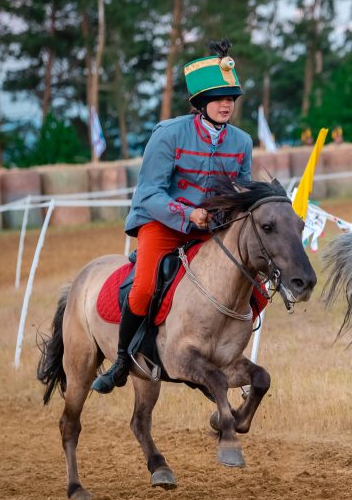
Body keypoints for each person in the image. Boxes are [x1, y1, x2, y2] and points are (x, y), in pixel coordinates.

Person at [91, 39, 253, 394]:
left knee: (251, 286)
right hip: (162, 225)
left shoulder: (241, 142)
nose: (227, 105)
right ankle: (121, 360)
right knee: (145, 287)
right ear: (200, 102)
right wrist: (188, 213)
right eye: (219, 98)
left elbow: (241, 193)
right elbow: (148, 194)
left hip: (210, 231)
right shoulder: (168, 134)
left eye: (231, 99)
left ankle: (224, 354)